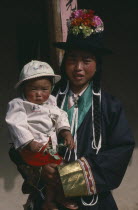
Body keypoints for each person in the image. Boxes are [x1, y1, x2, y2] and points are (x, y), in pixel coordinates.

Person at [42, 9, 135, 210]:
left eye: (86, 60)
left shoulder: (110, 106)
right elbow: (19, 142)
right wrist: (39, 170)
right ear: (64, 62)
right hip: (48, 201)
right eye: (72, 59)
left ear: (97, 64)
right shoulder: (47, 101)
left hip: (95, 203)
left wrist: (68, 178)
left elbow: (121, 151)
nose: (78, 67)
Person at [5, 60, 78, 210]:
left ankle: (50, 200)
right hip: (31, 148)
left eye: (44, 89)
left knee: (62, 167)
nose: (39, 94)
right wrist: (30, 142)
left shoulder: (51, 102)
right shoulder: (19, 104)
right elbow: (16, 123)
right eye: (33, 89)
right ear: (24, 88)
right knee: (54, 169)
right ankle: (56, 196)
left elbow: (61, 116)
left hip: (49, 148)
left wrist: (66, 132)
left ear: (51, 87)